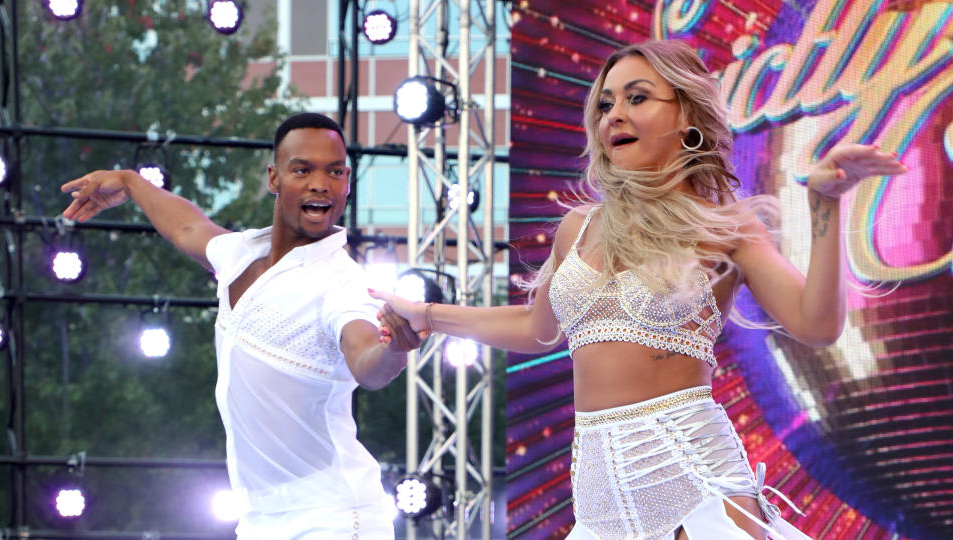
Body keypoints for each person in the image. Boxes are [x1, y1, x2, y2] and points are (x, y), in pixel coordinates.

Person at [369, 40, 906, 540]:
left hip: (694, 483)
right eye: (604, 105)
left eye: (637, 97)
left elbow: (816, 325)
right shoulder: (577, 228)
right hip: (599, 507)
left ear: (687, 118)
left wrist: (825, 205)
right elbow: (536, 329)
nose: (614, 115)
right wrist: (428, 315)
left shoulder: (724, 227)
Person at [61, 113, 420, 539]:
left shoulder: (342, 284)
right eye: (303, 169)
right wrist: (130, 182)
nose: (321, 183)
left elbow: (365, 359)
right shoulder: (240, 253)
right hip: (259, 520)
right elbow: (188, 225)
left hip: (334, 517)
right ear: (274, 177)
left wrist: (393, 349)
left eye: (335, 171)